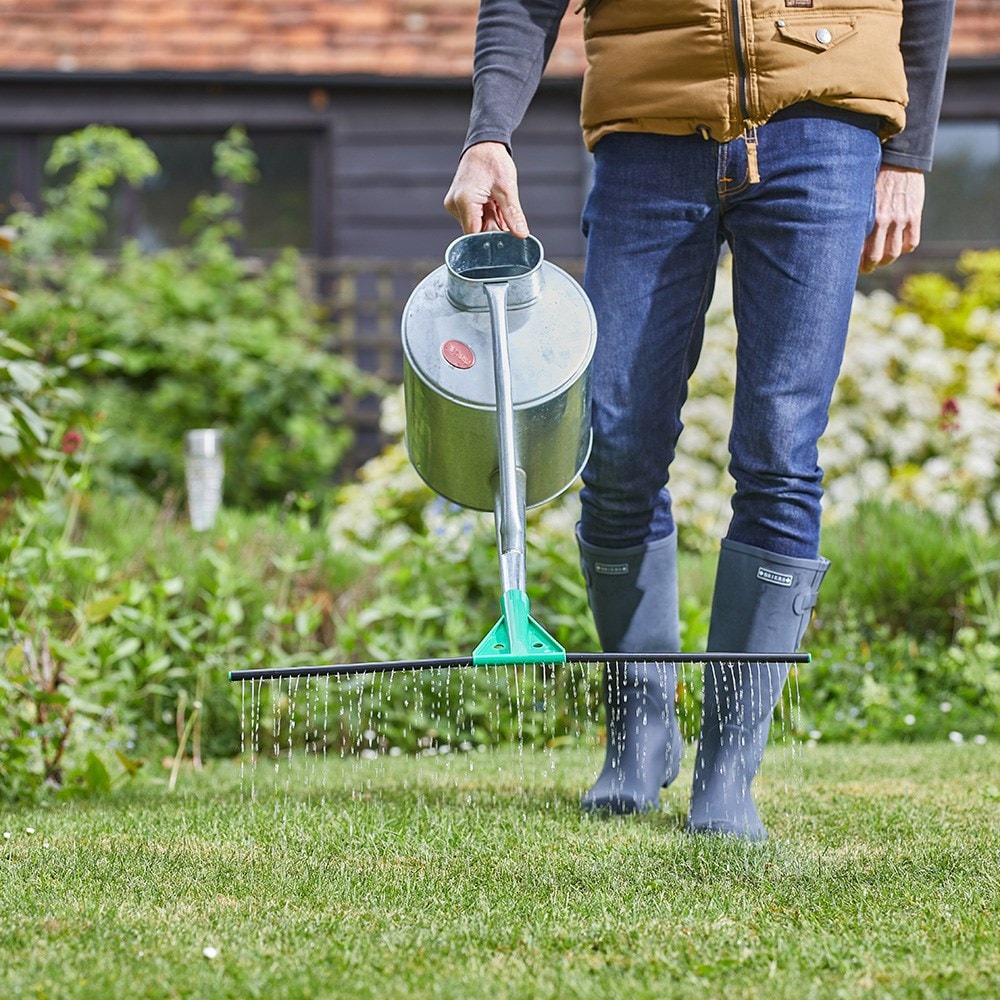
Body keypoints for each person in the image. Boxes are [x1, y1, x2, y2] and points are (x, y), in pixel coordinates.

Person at [444, 0, 955, 839]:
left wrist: (909, 149)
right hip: (650, 133)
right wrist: (487, 133)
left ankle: (728, 773)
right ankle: (642, 736)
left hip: (823, 130)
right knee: (611, 441)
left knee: (781, 445)